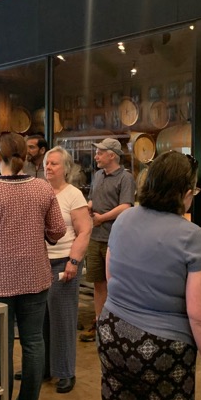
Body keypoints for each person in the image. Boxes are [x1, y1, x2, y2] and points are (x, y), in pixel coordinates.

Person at [97, 151, 201, 400]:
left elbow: (111, 278)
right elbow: (200, 314)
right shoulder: (190, 235)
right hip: (162, 347)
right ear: (186, 193)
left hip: (111, 332)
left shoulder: (123, 219)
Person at [0, 132, 66, 400]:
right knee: (33, 342)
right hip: (35, 276)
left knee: (0, 345)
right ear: (26, 156)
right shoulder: (43, 188)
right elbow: (58, 230)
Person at [43, 146, 92, 393]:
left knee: (63, 319)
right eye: (47, 163)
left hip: (64, 261)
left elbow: (84, 230)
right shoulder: (39, 191)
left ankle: (64, 372)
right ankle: (41, 367)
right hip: (39, 262)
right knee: (39, 319)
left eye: (54, 163)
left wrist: (74, 261)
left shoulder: (73, 195)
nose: (49, 167)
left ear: (66, 168)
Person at [80, 137, 135, 342]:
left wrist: (101, 218)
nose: (96, 156)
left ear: (112, 155)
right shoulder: (98, 175)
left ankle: (116, 325)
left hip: (115, 239)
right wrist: (89, 206)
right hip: (95, 237)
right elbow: (94, 198)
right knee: (98, 283)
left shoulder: (125, 178)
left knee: (116, 284)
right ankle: (99, 322)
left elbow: (126, 206)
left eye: (100, 153)